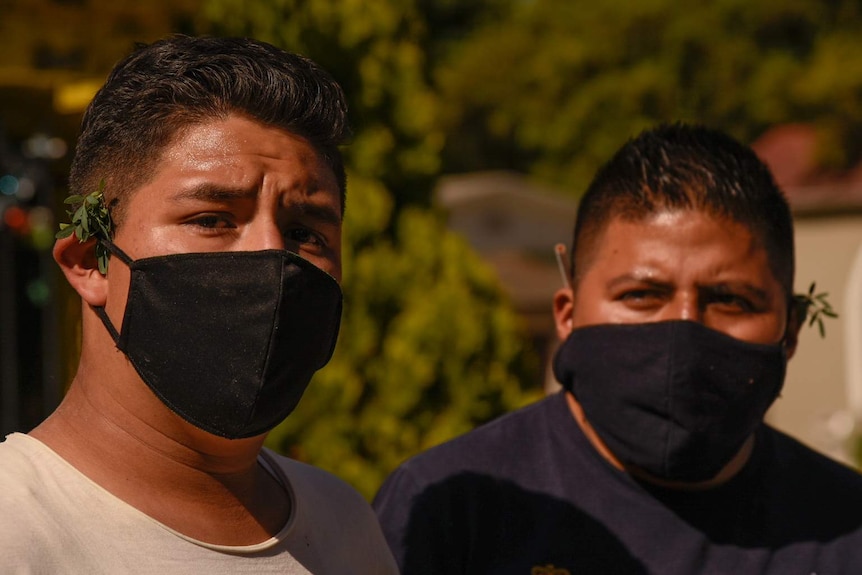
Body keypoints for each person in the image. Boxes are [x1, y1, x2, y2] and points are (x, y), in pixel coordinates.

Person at [373, 123, 862, 574]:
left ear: (790, 331)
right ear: (567, 314)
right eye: (641, 296)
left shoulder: (847, 528)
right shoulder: (451, 509)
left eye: (731, 300)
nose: (684, 328)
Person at [0, 35, 398, 574]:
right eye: (211, 219)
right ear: (92, 262)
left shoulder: (345, 523)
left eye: (305, 232)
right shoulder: (15, 527)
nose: (270, 257)